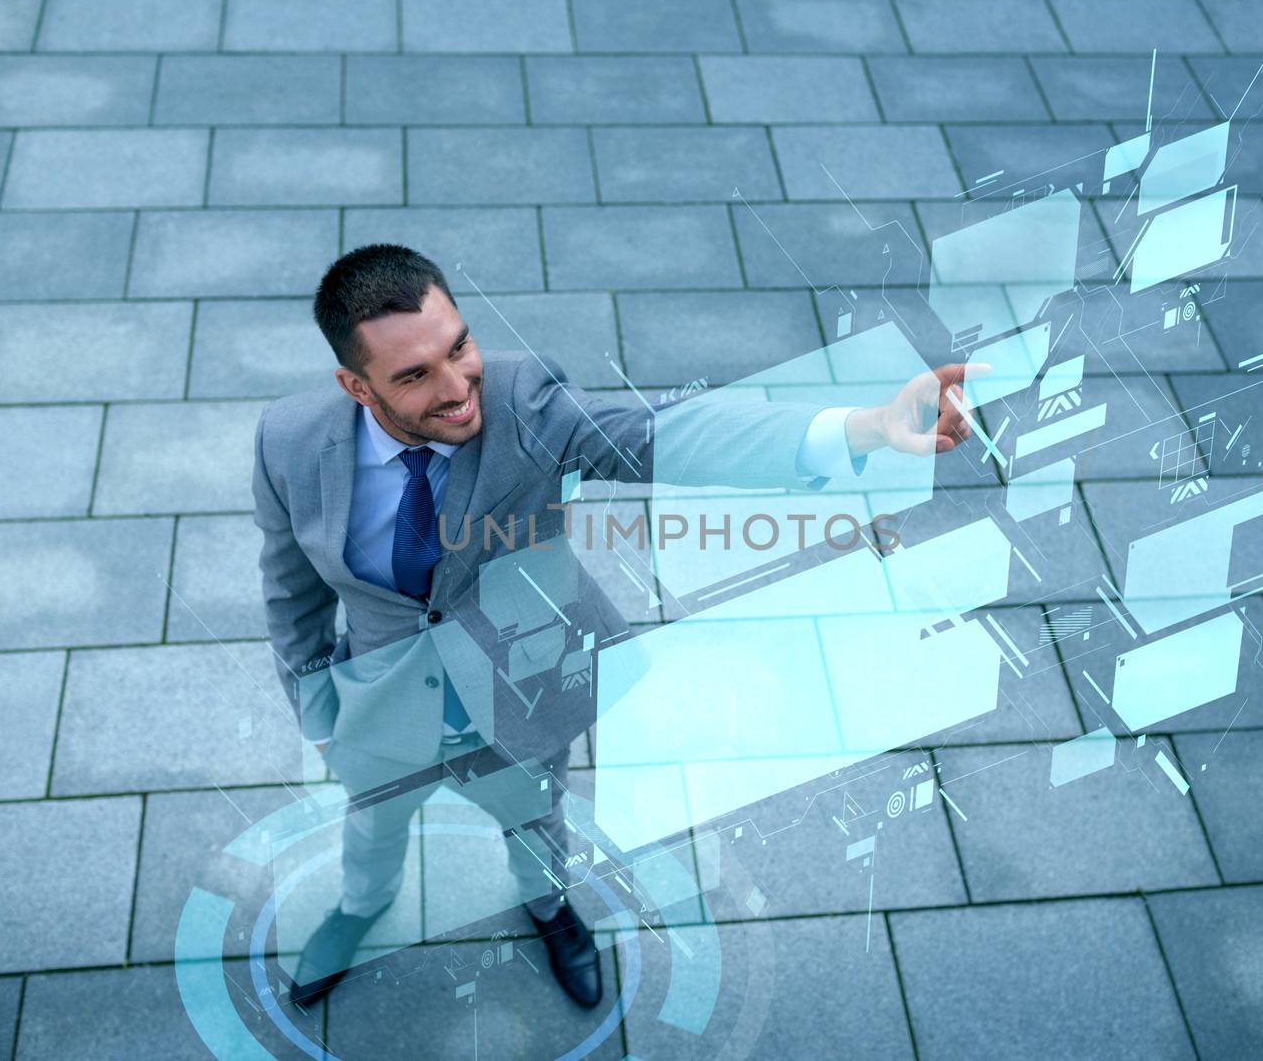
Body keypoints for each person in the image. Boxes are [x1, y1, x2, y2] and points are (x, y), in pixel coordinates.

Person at [252, 243, 973, 1010]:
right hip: (382, 705)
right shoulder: (289, 442)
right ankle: (359, 910)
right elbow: (289, 591)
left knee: (536, 819)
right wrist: (319, 710)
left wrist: (860, 428)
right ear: (355, 386)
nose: (459, 386)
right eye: (414, 375)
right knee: (372, 828)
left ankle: (549, 908)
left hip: (517, 691)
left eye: (459, 346)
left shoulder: (525, 402)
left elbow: (668, 436)